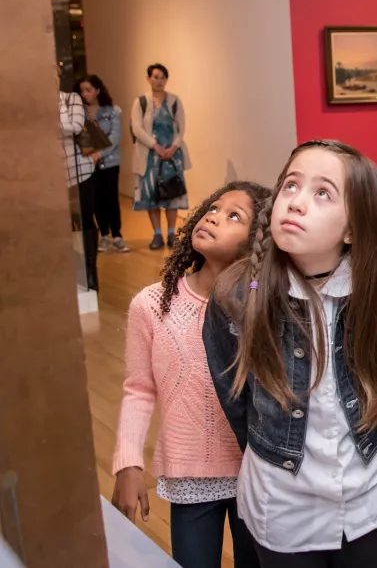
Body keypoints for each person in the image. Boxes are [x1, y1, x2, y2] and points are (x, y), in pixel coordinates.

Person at [203, 140, 377, 568]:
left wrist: (372, 443)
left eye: (323, 193)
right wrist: (272, 448)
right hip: (284, 510)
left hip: (368, 503)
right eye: (291, 186)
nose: (296, 203)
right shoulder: (237, 295)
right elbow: (236, 401)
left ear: (353, 229)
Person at [111, 181, 270, 568]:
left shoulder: (262, 306)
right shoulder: (152, 305)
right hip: (189, 478)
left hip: (258, 474)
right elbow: (138, 390)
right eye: (213, 208)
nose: (213, 216)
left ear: (256, 243)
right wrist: (128, 462)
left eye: (234, 216)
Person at [132, 63, 191, 250]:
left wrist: (174, 147)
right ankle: (157, 234)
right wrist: (154, 146)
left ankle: (172, 232)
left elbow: (181, 128)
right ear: (148, 79)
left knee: (172, 195)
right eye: (155, 77)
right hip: (149, 157)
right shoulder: (141, 102)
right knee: (151, 195)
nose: (159, 81)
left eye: (162, 77)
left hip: (172, 157)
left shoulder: (175, 101)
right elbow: (137, 128)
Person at [78, 75, 128, 253]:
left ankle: (117, 235)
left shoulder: (113, 110)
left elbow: (115, 137)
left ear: (97, 90)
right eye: (82, 91)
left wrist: (101, 153)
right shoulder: (79, 112)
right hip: (88, 162)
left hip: (110, 161)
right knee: (96, 199)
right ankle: (104, 236)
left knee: (111, 198)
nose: (85, 94)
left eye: (88, 90)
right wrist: (90, 154)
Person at [59, 89, 98, 290]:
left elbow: (75, 127)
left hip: (79, 171)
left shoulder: (69, 98)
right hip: (53, 174)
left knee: (84, 220)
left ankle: (90, 271)